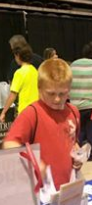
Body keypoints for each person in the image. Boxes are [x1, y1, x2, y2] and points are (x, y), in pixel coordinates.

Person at [3, 58, 82, 190]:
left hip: (66, 186)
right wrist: (34, 162)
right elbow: (9, 144)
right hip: (41, 191)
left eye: (62, 94)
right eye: (51, 94)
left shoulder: (73, 112)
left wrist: (77, 153)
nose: (57, 99)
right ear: (40, 89)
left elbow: (73, 141)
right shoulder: (32, 113)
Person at [0, 45, 39, 123]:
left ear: (18, 56)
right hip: (37, 110)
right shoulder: (34, 71)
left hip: (25, 112)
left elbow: (13, 95)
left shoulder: (19, 73)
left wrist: (3, 112)